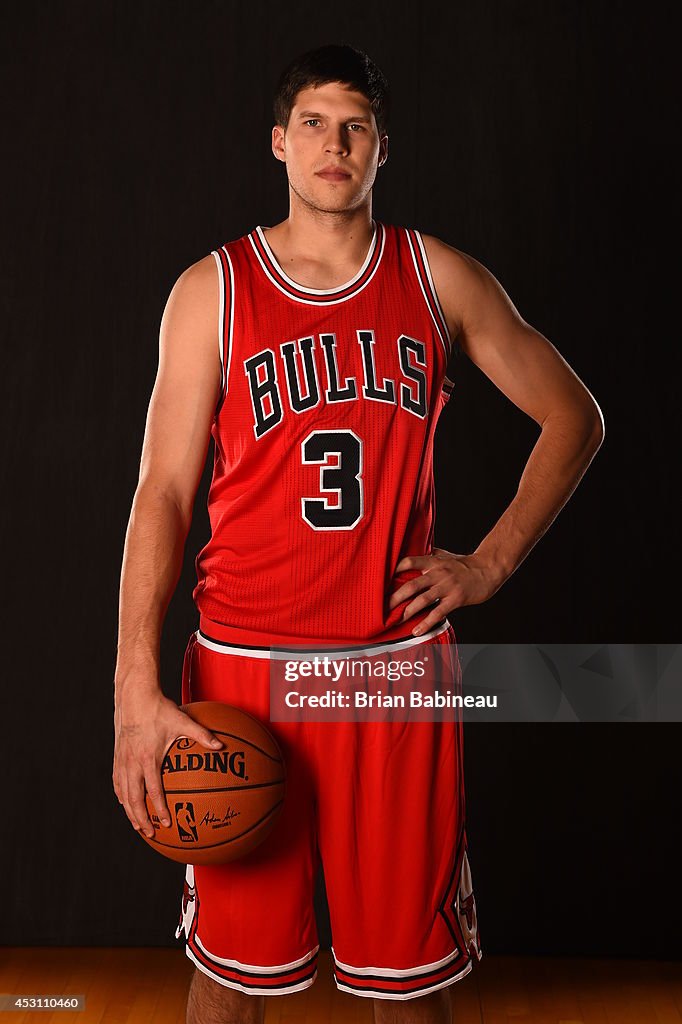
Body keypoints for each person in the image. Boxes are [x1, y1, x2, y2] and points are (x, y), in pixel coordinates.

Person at [112, 43, 604, 1024]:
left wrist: (493, 559)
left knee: (405, 984)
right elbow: (162, 492)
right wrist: (135, 682)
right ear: (278, 144)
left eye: (356, 126)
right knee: (227, 980)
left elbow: (574, 416)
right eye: (313, 123)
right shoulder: (212, 290)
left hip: (390, 673)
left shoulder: (438, 278)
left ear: (383, 149)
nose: (333, 144)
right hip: (244, 669)